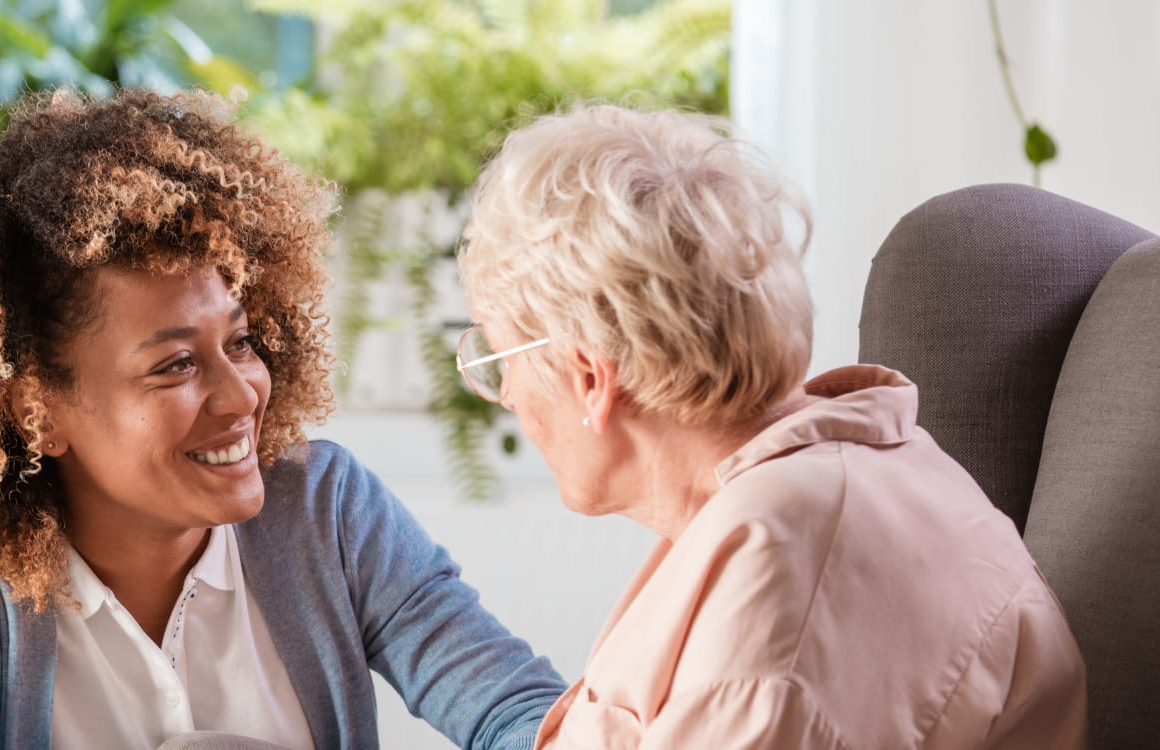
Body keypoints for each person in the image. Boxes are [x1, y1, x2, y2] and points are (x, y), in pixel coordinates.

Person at [0, 88, 565, 750]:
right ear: (36, 410)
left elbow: (517, 716)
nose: (243, 394)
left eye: (240, 343)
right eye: (174, 365)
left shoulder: (325, 511)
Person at [453, 103, 1087, 749]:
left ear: (590, 377)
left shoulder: (782, 581)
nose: (503, 395)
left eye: (499, 359)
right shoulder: (815, 487)